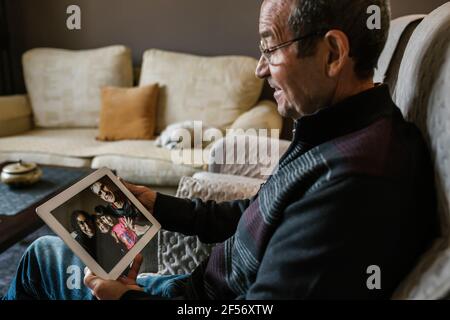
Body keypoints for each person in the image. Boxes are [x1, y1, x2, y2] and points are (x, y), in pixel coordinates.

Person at [3, 0, 439, 300]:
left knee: (41, 258)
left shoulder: (353, 180)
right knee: (51, 252)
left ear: (332, 53)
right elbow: (254, 213)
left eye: (270, 46)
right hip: (197, 290)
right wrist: (158, 203)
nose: (260, 66)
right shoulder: (335, 129)